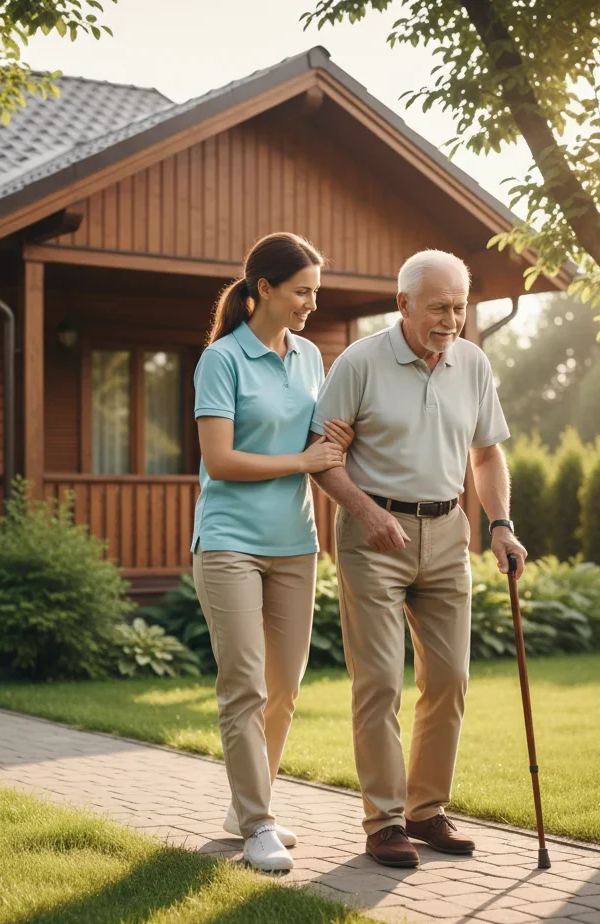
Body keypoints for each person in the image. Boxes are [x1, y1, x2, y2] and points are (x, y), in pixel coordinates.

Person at [309, 249, 527, 868]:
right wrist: (367, 512)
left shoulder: (473, 364)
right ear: (403, 304)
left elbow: (486, 456)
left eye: (459, 307)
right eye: (439, 307)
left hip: (447, 531)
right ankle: (384, 822)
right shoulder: (360, 362)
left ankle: (426, 811)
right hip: (373, 534)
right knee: (379, 682)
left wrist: (502, 525)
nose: (451, 319)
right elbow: (323, 453)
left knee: (450, 678)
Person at [192, 231, 354, 873]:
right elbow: (219, 460)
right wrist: (304, 458)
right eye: (302, 291)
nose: (311, 303)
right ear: (264, 288)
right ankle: (258, 823)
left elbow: (319, 438)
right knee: (244, 687)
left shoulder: (310, 356)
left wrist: (334, 438)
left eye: (315, 291)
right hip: (230, 541)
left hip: (295, 542)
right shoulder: (222, 360)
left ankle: (244, 804)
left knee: (284, 688)